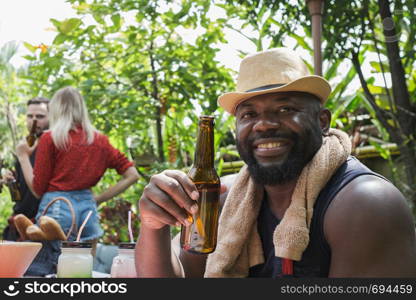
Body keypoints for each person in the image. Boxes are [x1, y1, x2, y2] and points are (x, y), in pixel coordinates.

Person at [135, 48, 416, 278]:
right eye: (248, 114)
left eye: (285, 109)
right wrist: (153, 225)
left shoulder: (364, 204)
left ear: (322, 122)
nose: (264, 125)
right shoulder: (225, 199)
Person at [15, 86, 139, 275]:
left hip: (58, 208)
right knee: (83, 271)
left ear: (55, 109)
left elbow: (38, 189)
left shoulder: (51, 138)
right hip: (87, 211)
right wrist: (97, 199)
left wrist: (23, 156)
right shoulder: (99, 140)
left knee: (44, 270)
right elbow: (132, 175)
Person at [1, 97, 49, 241]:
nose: (34, 121)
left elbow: (40, 192)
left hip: (43, 226)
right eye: (30, 116)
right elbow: (19, 196)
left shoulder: (54, 147)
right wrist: (12, 182)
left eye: (40, 116)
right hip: (19, 223)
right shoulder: (24, 145)